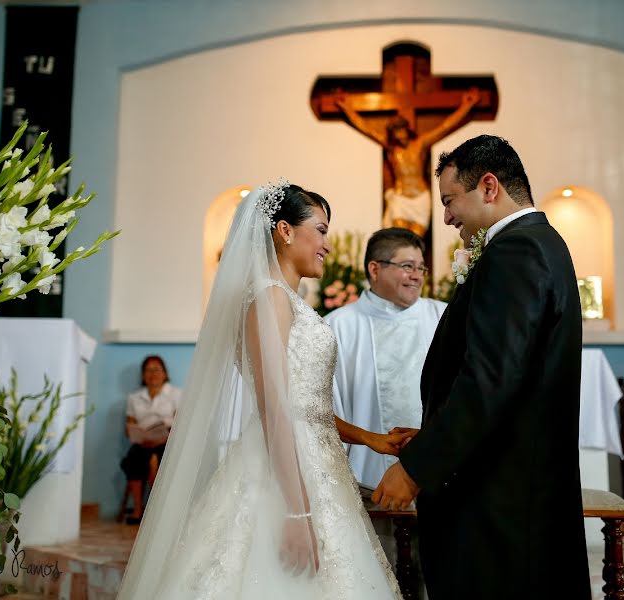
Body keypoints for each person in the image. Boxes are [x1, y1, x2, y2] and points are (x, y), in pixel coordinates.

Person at [117, 180, 408, 599]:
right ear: (286, 231)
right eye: (321, 229)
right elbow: (275, 409)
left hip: (313, 463)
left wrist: (370, 439)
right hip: (285, 475)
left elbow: (304, 407)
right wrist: (296, 510)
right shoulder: (270, 299)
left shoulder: (284, 299)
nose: (327, 243)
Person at [372, 135, 592, 598]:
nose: (447, 216)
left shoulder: (516, 252)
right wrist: (433, 432)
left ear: (489, 187)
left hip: (498, 505)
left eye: (451, 200)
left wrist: (416, 468)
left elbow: (490, 380)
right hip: (512, 489)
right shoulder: (540, 244)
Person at [326, 228, 445, 490]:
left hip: (438, 479)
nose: (416, 276)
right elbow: (326, 408)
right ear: (375, 269)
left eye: (421, 268)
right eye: (407, 266)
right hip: (363, 482)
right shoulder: (338, 327)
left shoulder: (443, 318)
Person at [336, 89, 480, 237]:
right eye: (395, 131)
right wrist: (347, 107)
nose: (399, 134)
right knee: (400, 237)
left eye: (401, 129)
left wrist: (466, 106)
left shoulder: (420, 144)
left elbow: (445, 126)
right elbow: (366, 128)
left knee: (416, 239)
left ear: (406, 128)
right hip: (401, 198)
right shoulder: (392, 148)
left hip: (420, 198)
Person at [120, 355, 181, 525]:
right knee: (133, 459)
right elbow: (130, 425)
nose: (152, 374)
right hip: (143, 442)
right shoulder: (134, 397)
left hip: (168, 441)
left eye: (156, 369)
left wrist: (164, 437)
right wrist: (136, 433)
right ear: (142, 375)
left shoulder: (176, 394)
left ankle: (156, 512)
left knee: (158, 458)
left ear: (165, 373)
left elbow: (181, 424)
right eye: (148, 370)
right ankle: (138, 510)